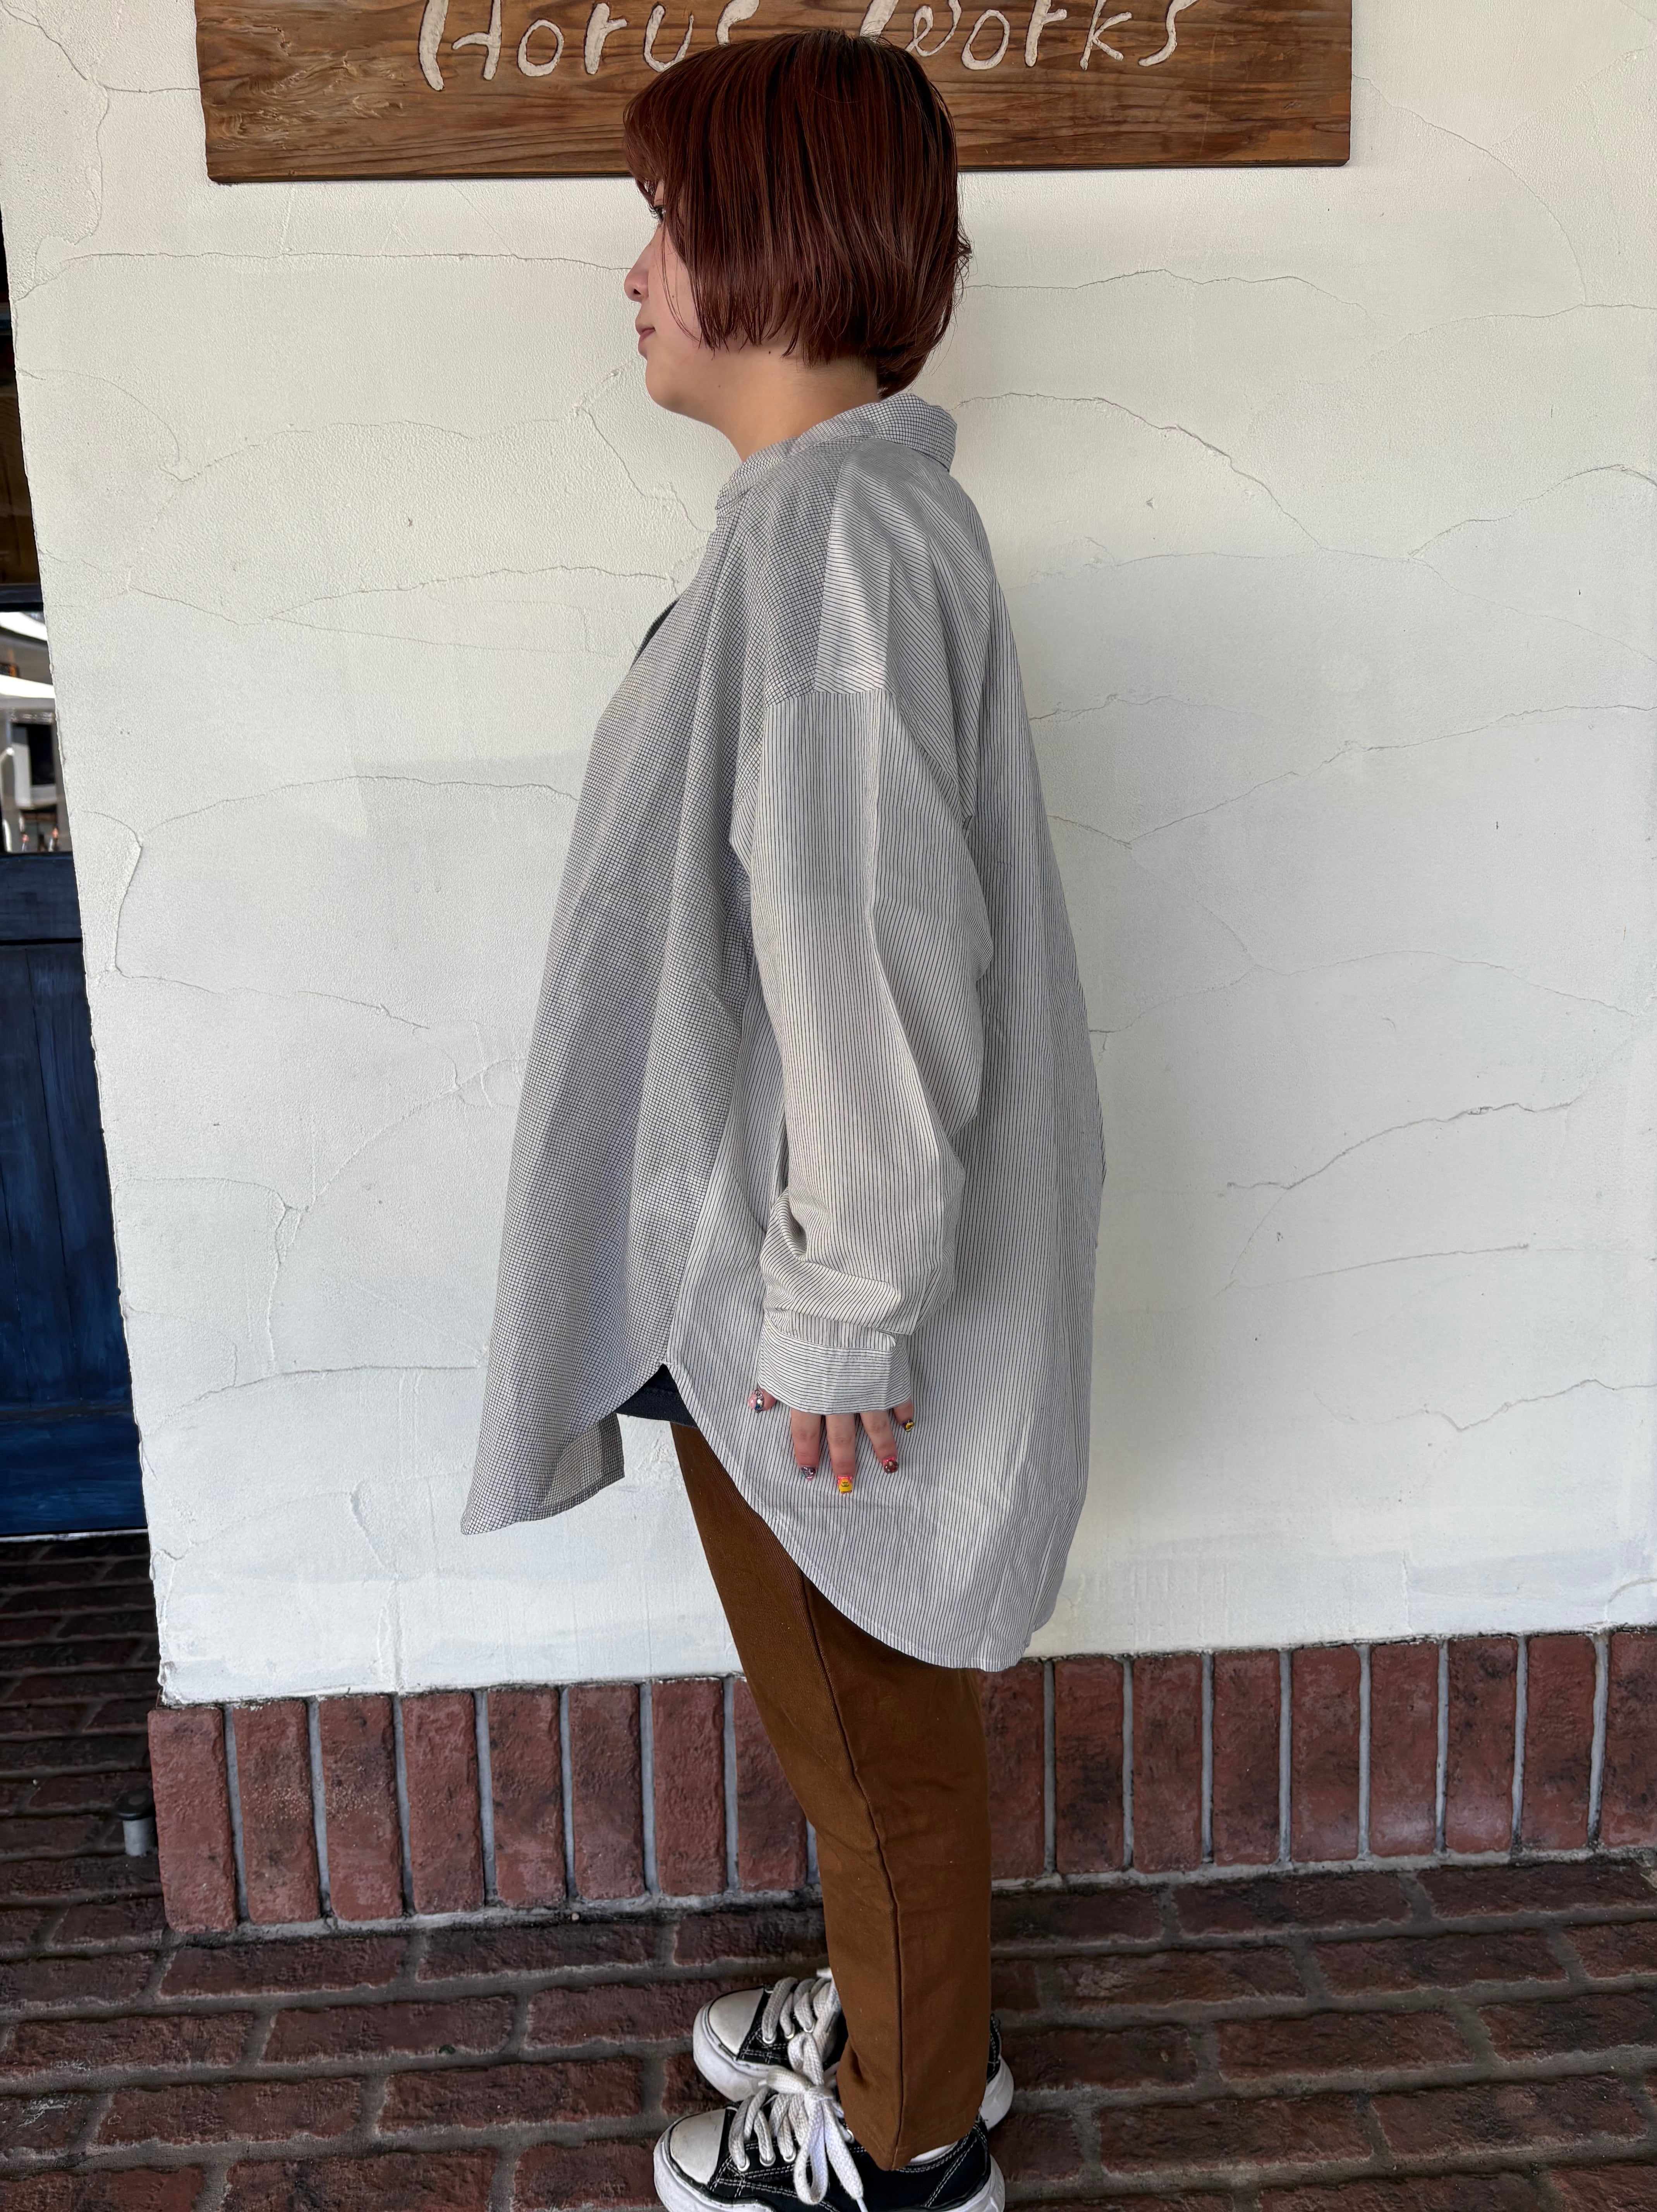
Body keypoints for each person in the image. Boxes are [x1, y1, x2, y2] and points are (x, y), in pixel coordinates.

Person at [463, 28, 1105, 2212]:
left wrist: (841, 1314)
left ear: (769, 242)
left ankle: (912, 2141)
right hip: (783, 1242)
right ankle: (899, 2012)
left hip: (812, 1280)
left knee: (867, 1728)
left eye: (667, 223)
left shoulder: (830, 538)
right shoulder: (840, 521)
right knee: (851, 1711)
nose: (634, 272)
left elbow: (864, 949)